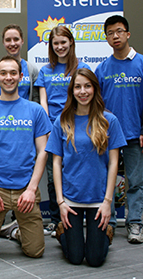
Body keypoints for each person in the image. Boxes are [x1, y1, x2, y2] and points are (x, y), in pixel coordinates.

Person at [0, 56, 51, 259]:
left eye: (13, 73)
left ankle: (14, 231)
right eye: (3, 73)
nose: (8, 77)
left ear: (21, 76)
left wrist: (32, 189)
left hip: (25, 191)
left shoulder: (35, 110)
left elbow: (43, 152)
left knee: (35, 251)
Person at [46, 68, 126, 266]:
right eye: (78, 87)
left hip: (99, 199)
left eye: (87, 86)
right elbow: (56, 163)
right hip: (71, 199)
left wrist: (108, 202)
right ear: (72, 91)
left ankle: (106, 233)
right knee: (74, 257)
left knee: (95, 259)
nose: (83, 91)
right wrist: (61, 202)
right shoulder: (62, 121)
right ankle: (62, 231)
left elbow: (114, 162)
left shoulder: (110, 121)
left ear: (95, 89)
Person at [95, 15, 143, 244]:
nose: (115, 36)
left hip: (135, 135)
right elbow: (97, 104)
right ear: (106, 37)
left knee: (136, 180)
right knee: (107, 180)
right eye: (110, 33)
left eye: (119, 31)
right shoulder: (102, 68)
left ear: (128, 34)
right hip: (109, 136)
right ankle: (108, 223)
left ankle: (135, 224)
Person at [34, 26, 91, 237]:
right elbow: (43, 102)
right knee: (52, 175)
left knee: (75, 171)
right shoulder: (45, 71)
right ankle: (57, 220)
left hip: (77, 128)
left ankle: (79, 217)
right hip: (53, 131)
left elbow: (87, 98)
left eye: (63, 42)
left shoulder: (81, 68)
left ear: (71, 43)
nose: (60, 47)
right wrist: (48, 128)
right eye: (55, 43)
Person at [0, 24, 39, 103]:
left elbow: (36, 99)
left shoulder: (31, 69)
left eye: (16, 39)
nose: (12, 44)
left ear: (22, 41)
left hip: (25, 115)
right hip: (0, 114)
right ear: (3, 42)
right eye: (8, 40)